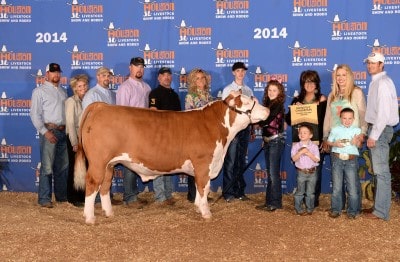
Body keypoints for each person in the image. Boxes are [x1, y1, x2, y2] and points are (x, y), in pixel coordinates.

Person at [322, 64, 367, 212]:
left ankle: (354, 209)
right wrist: (325, 136)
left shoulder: (356, 92)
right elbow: (328, 117)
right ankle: (338, 207)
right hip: (336, 141)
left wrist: (362, 134)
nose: (340, 78)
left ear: (349, 76)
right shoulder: (332, 95)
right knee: (337, 179)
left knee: (352, 179)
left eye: (343, 75)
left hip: (352, 140)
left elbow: (362, 115)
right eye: (338, 75)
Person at [363, 52, 399, 221]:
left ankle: (381, 211)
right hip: (378, 129)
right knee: (378, 171)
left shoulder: (382, 84)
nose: (370, 65)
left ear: (381, 64)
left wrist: (374, 135)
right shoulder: (377, 82)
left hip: (380, 130)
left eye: (374, 63)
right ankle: (379, 207)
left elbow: (384, 114)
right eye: (369, 63)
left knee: (381, 172)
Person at [285, 70, 327, 207]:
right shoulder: (297, 100)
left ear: (317, 83)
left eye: (312, 81)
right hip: (300, 142)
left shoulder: (322, 99)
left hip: (316, 142)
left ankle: (313, 201)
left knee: (316, 172)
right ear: (302, 84)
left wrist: (324, 139)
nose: (309, 84)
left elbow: (326, 121)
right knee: (301, 171)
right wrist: (294, 109)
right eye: (306, 81)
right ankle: (301, 199)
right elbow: (289, 120)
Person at [30, 63, 68, 208]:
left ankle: (61, 197)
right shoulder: (39, 91)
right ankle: (44, 198)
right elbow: (34, 115)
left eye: (58, 72)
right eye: (53, 72)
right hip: (50, 131)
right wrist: (45, 132)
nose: (56, 75)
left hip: (63, 131)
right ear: (47, 74)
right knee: (47, 167)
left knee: (63, 167)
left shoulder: (63, 91)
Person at [82, 66, 122, 206]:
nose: (107, 78)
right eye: (103, 75)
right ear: (98, 77)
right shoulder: (91, 94)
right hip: (97, 136)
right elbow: (87, 117)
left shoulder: (113, 95)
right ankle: (95, 198)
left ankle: (105, 196)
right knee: (97, 166)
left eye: (108, 76)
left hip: (110, 137)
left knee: (107, 167)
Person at [116, 57, 151, 209]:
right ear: (130, 68)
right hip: (130, 131)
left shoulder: (147, 87)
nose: (140, 69)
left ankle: (133, 194)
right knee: (130, 164)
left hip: (143, 131)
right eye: (137, 66)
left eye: (142, 67)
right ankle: (129, 197)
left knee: (138, 163)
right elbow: (121, 112)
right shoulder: (125, 87)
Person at [221, 62, 254, 202]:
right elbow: (224, 111)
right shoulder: (228, 90)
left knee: (241, 161)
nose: (241, 73)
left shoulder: (248, 91)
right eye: (238, 70)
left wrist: (251, 129)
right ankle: (228, 192)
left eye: (243, 71)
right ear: (233, 72)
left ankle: (240, 191)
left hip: (245, 130)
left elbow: (251, 112)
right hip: (233, 130)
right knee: (230, 161)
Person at [149, 67, 181, 205]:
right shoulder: (154, 93)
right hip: (159, 134)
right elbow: (153, 113)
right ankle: (160, 197)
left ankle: (168, 194)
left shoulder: (175, 95)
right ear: (159, 78)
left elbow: (180, 117)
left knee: (169, 165)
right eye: (163, 75)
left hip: (173, 134)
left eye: (169, 75)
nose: (167, 77)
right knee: (158, 165)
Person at [326, 108, 362, 219]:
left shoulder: (357, 130)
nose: (347, 120)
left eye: (350, 118)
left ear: (353, 119)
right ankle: (336, 209)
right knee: (337, 187)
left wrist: (357, 142)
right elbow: (328, 142)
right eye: (344, 118)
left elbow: (359, 145)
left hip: (351, 160)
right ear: (340, 118)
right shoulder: (335, 129)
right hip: (337, 159)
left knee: (352, 187)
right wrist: (334, 143)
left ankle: (352, 211)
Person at [255, 79, 286, 211]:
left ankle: (276, 202)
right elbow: (265, 125)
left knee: (273, 173)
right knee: (271, 173)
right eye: (269, 90)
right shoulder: (267, 104)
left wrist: (261, 122)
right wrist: (264, 137)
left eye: (274, 90)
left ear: (279, 92)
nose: (272, 92)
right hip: (268, 140)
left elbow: (267, 120)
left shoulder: (277, 104)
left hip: (276, 141)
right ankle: (269, 201)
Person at [184, 68, 213, 203]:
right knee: (194, 164)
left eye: (202, 78)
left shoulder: (209, 96)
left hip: (207, 135)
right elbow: (189, 116)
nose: (201, 80)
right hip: (195, 134)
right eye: (197, 78)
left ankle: (203, 192)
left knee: (204, 164)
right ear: (193, 81)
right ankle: (192, 193)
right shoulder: (190, 96)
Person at [65, 74, 88, 207]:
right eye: (79, 86)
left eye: (84, 85)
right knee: (74, 167)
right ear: (74, 88)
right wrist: (74, 142)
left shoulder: (87, 101)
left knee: (83, 167)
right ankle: (72, 197)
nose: (82, 88)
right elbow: (70, 122)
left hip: (85, 138)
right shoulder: (71, 102)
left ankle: (83, 196)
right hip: (74, 137)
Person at [291, 124, 320, 216]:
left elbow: (317, 159)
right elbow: (294, 159)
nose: (302, 134)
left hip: (312, 172)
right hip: (301, 172)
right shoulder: (295, 146)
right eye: (300, 133)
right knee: (300, 192)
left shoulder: (314, 147)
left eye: (305, 133)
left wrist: (308, 153)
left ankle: (309, 208)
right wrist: (301, 152)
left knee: (310, 192)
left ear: (310, 135)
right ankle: (298, 209)